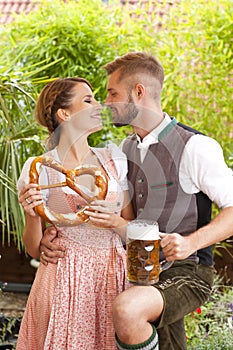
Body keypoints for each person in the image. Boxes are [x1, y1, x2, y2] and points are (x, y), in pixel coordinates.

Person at [40, 53, 233, 350]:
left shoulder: (196, 147)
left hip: (187, 271)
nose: (105, 102)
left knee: (128, 311)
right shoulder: (122, 150)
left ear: (139, 92)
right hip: (136, 270)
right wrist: (50, 235)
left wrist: (191, 243)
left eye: (112, 93)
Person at [17, 77, 134, 350]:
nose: (99, 104)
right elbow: (34, 248)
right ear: (65, 113)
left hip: (112, 274)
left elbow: (131, 224)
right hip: (63, 276)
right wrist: (33, 215)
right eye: (88, 100)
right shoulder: (40, 168)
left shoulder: (114, 159)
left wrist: (114, 222)